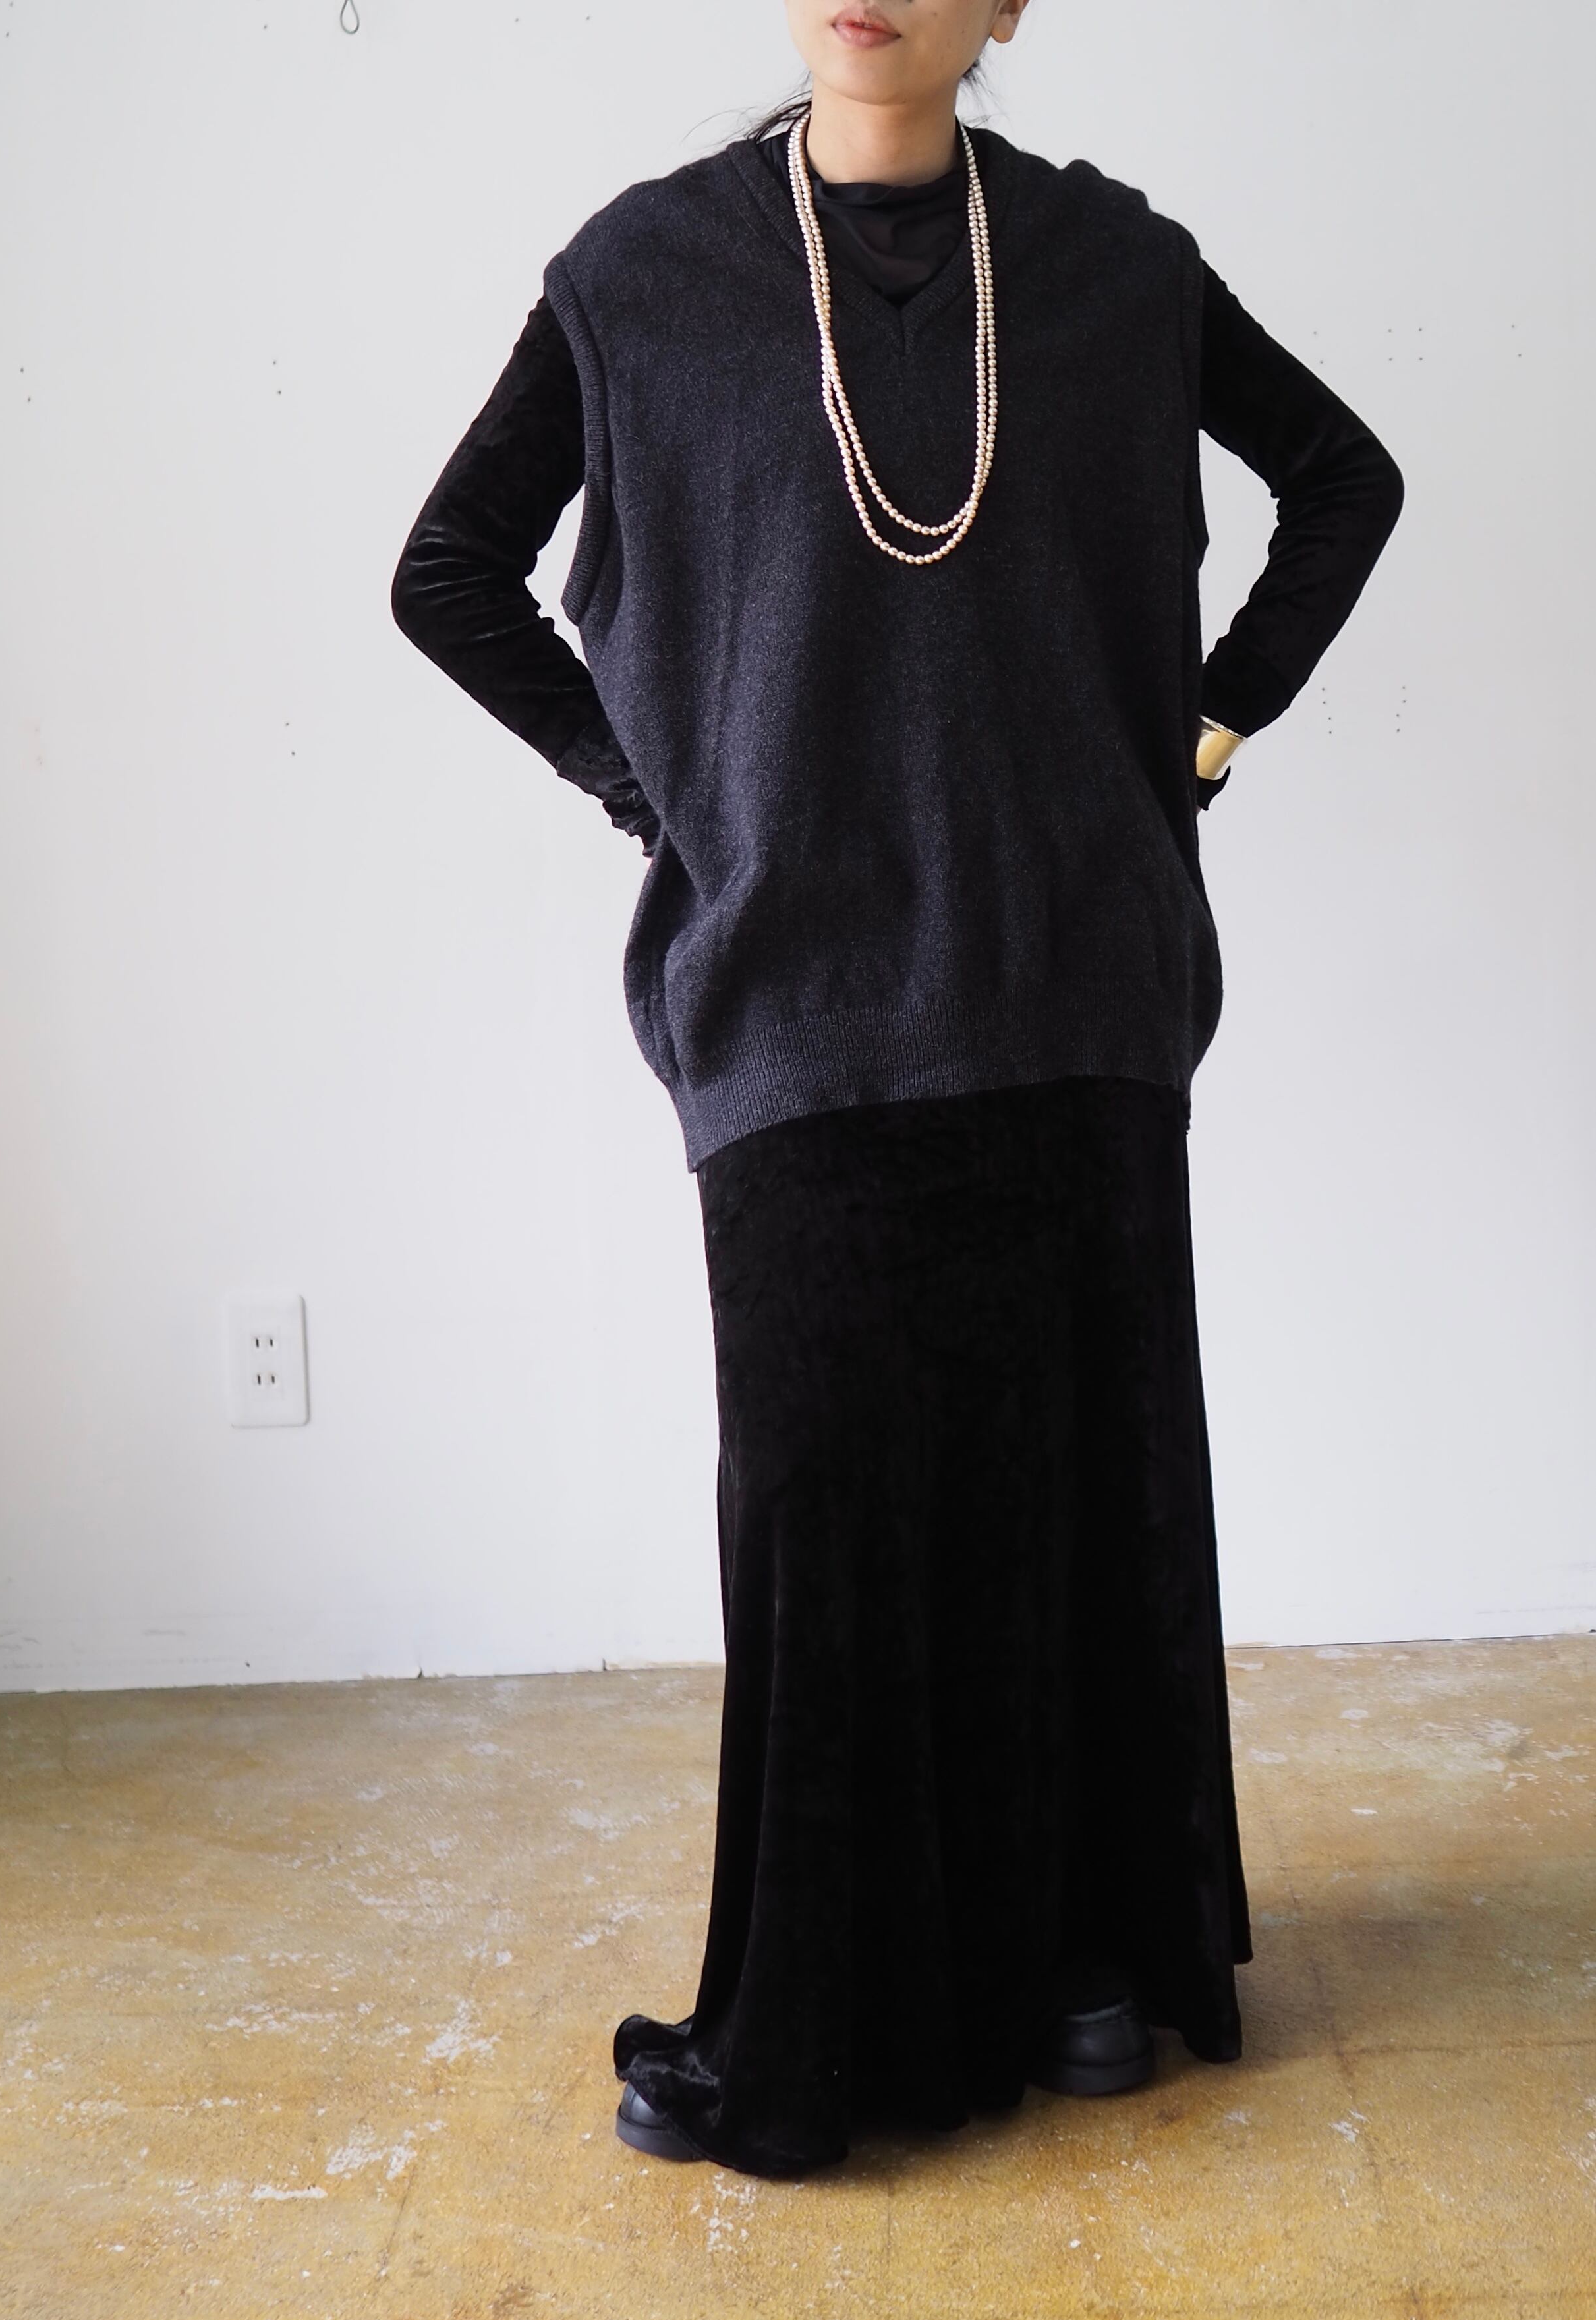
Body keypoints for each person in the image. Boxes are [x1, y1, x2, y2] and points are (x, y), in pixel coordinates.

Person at [391, 0, 1404, 2180]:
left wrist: (1208, 722)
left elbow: (1344, 476)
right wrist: (647, 789)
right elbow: (445, 573)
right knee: (828, 1515)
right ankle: (844, 2005)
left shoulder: (1113, 268)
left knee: (1075, 1484)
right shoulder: (644, 272)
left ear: (1008, 5)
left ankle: (1082, 1966)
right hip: (797, 991)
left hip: (1078, 973)